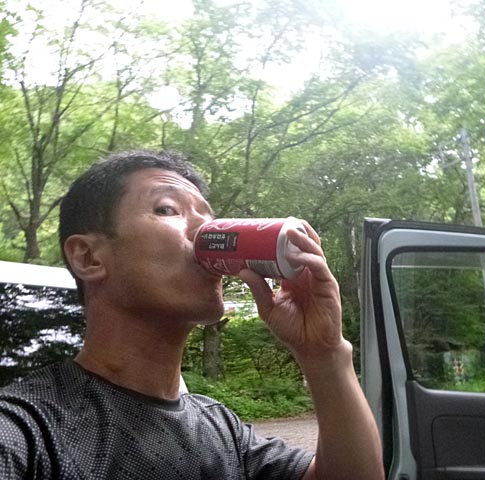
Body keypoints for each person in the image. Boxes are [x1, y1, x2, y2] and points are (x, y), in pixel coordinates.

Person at [0, 150, 384, 479]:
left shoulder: (221, 429)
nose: (206, 228)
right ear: (88, 257)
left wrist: (325, 354)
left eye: (208, 216)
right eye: (168, 209)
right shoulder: (26, 431)